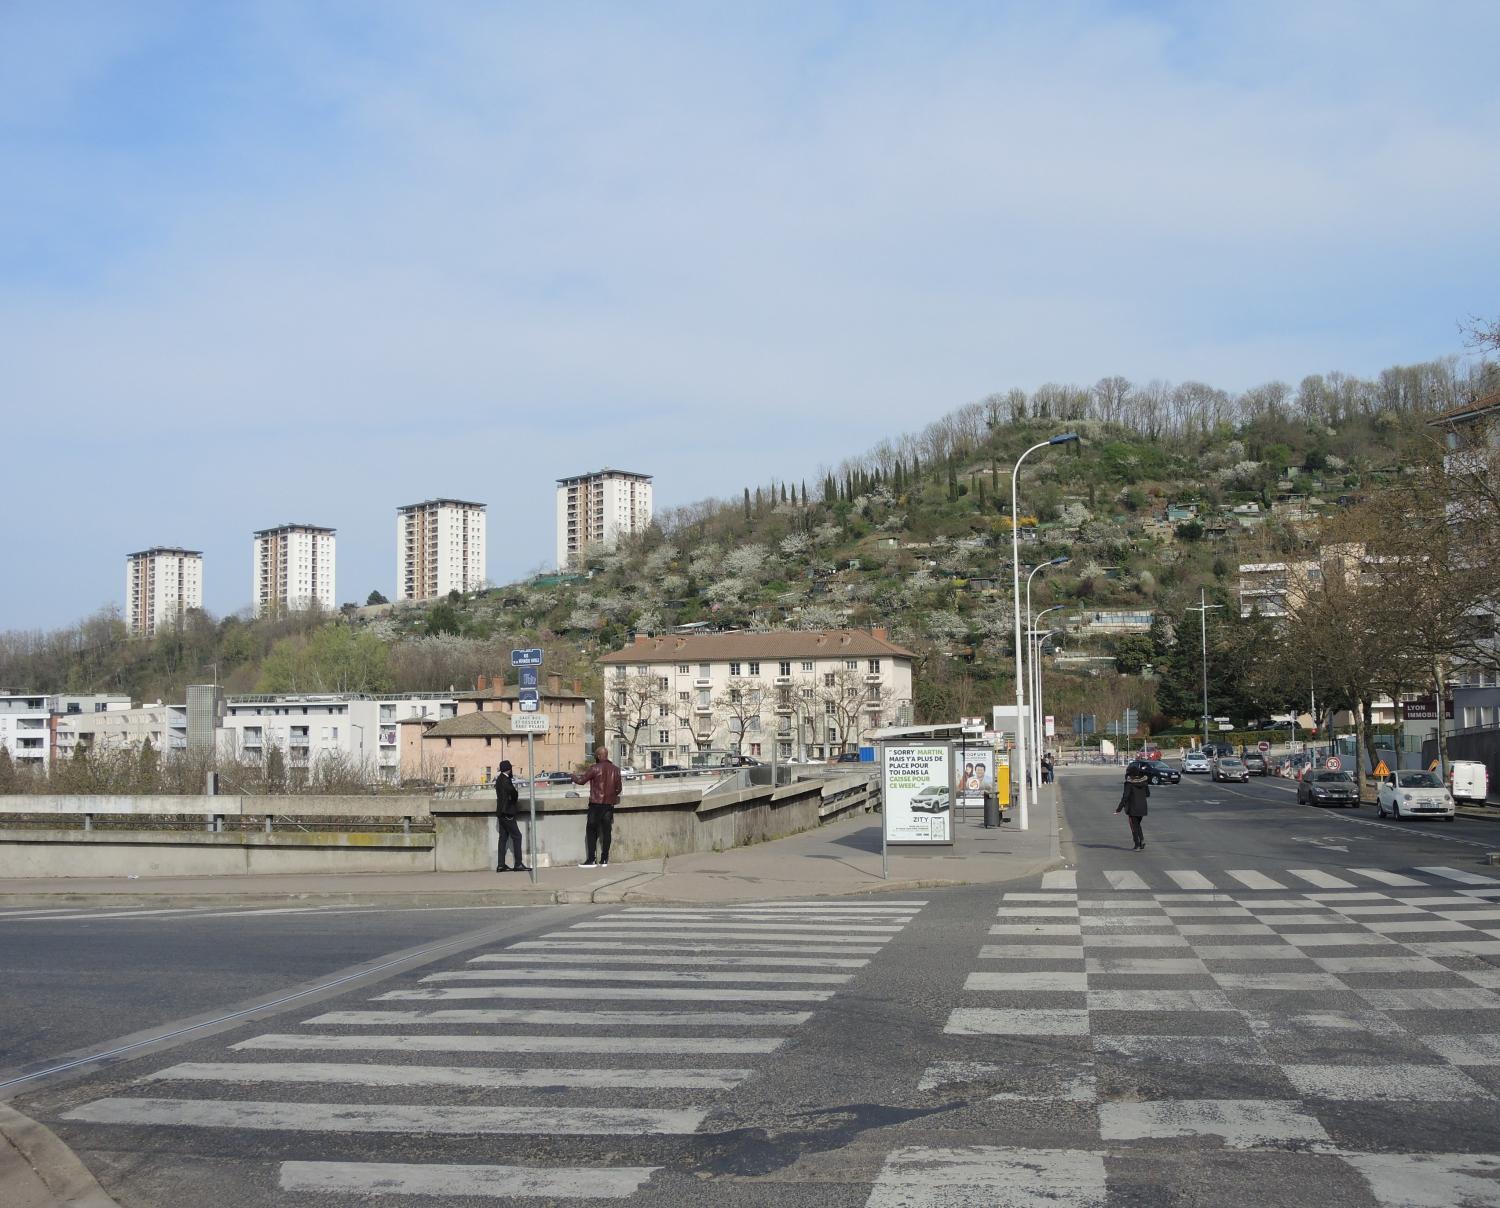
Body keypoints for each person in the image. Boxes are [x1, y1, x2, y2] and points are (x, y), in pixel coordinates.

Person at [572, 746, 622, 868]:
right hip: (609, 804)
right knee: (606, 831)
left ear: (599, 756)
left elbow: (581, 781)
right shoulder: (615, 769)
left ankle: (591, 859)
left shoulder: (594, 768)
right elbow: (619, 788)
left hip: (596, 804)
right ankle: (604, 859)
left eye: (596, 756)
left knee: (591, 830)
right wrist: (611, 796)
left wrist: (573, 776)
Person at [494, 760, 528, 872]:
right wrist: (515, 796)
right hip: (507, 812)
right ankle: (518, 864)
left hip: (500, 813)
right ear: (508, 769)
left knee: (503, 838)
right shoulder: (506, 780)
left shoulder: (499, 779)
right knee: (517, 836)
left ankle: (501, 865)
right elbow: (513, 793)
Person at [1116, 758, 1151, 850]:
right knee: (1137, 824)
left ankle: (1137, 844)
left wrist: (1119, 809)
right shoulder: (1144, 782)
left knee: (1133, 827)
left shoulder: (1129, 783)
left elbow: (1125, 796)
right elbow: (1148, 794)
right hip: (1143, 808)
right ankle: (1142, 840)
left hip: (1132, 808)